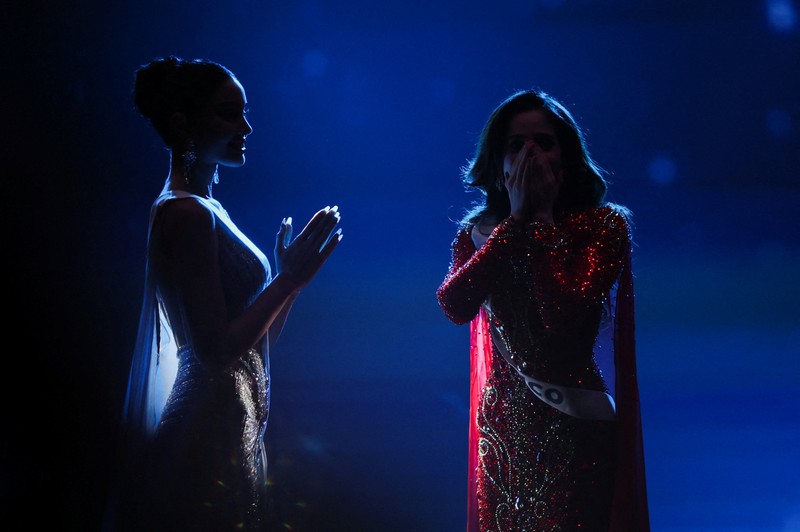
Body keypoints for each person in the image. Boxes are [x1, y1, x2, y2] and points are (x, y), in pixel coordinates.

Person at [105, 56, 343, 531]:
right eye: (228, 113)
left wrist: (291, 285)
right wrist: (286, 280)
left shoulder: (209, 208)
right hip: (204, 429)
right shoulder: (186, 214)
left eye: (244, 111)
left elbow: (256, 348)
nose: (247, 127)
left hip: (232, 424)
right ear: (183, 124)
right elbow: (215, 352)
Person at [436, 89, 649, 531]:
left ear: (566, 155)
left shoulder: (604, 226)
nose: (530, 153)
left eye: (543, 142)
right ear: (498, 161)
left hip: (576, 426)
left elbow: (562, 317)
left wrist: (542, 222)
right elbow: (455, 306)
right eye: (516, 144)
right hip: (503, 433)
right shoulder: (476, 234)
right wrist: (514, 223)